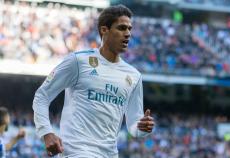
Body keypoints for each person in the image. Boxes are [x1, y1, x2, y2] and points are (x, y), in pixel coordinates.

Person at [33, 4, 155, 158]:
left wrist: (142, 127)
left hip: (109, 154)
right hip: (76, 152)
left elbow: (133, 126)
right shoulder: (78, 61)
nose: (128, 33)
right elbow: (42, 96)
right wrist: (46, 132)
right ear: (104, 30)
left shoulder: (134, 76)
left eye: (129, 29)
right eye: (122, 28)